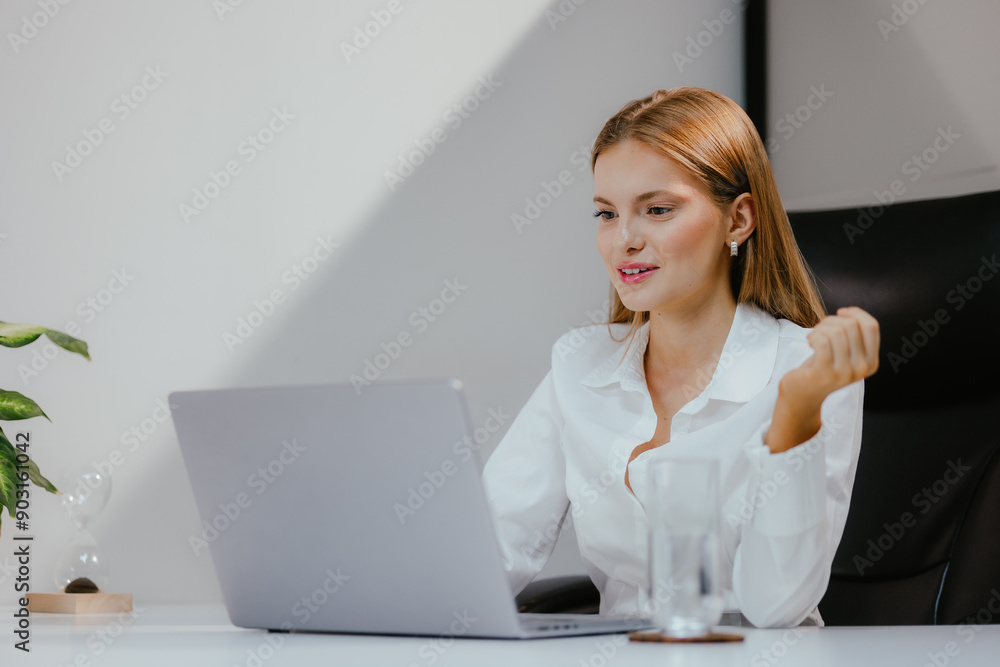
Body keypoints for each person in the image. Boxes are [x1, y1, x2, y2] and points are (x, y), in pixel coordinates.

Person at [480, 87, 880, 629]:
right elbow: (487, 554)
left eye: (658, 210)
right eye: (606, 213)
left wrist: (796, 412)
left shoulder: (805, 371)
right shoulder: (579, 364)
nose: (624, 240)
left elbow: (777, 605)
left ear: (738, 220)